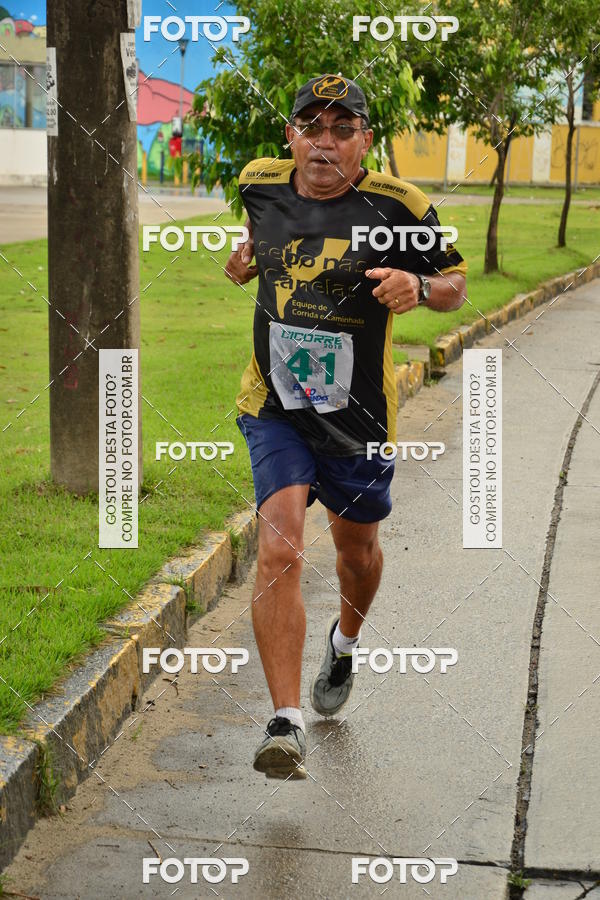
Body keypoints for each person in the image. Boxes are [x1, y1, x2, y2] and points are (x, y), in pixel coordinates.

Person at [224, 75, 467, 779]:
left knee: (356, 552)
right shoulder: (260, 185)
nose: (323, 142)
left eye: (341, 129)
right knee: (280, 548)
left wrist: (417, 287)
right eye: (311, 127)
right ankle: (285, 721)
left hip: (356, 415)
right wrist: (243, 266)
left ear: (364, 141)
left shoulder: (399, 207)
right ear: (290, 134)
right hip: (275, 405)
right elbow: (255, 251)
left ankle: (347, 641)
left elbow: (454, 284)